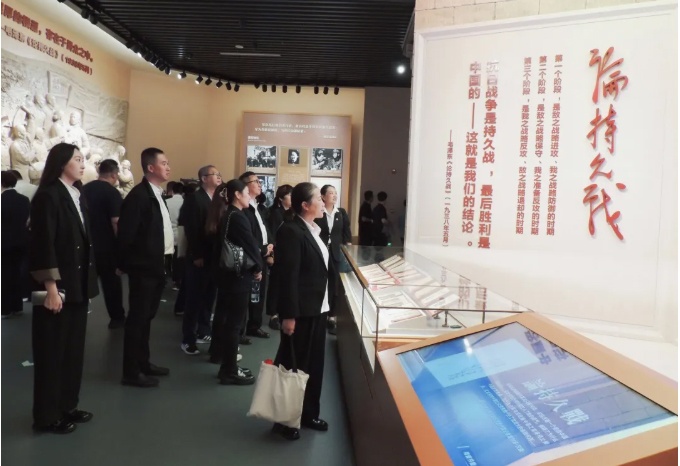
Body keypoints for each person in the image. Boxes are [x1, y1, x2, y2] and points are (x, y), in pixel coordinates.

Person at [28, 143, 99, 434]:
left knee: (72, 352)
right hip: (58, 288)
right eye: (77, 159)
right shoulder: (49, 195)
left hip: (77, 285)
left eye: (83, 159)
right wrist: (51, 287)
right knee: (52, 353)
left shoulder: (77, 194)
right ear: (61, 163)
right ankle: (47, 416)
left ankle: (67, 405)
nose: (82, 164)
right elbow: (43, 243)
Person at [270, 182, 335, 441]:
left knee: (314, 366)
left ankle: (308, 413)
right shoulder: (291, 231)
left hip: (318, 308)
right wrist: (288, 315)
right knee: (293, 367)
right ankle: (286, 420)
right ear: (305, 205)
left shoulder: (314, 230)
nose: (323, 202)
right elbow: (288, 277)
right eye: (318, 198)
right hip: (299, 312)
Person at [117, 147, 173, 388]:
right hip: (144, 267)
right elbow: (127, 234)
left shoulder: (156, 194)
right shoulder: (139, 196)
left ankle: (143, 362)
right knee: (138, 319)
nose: (168, 167)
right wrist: (126, 263)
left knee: (147, 318)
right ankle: (131, 371)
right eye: (164, 163)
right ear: (151, 167)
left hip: (157, 265)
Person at [207, 180, 264, 384]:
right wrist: (258, 267)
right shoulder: (237, 217)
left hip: (228, 276)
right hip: (238, 277)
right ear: (237, 195)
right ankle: (229, 370)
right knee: (234, 324)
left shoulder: (228, 214)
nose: (249, 196)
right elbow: (251, 245)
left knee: (226, 318)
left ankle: (224, 361)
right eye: (246, 192)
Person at [179, 166, 222, 355]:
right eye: (215, 174)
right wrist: (197, 255)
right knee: (194, 298)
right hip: (199, 256)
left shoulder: (217, 199)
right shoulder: (195, 199)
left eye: (219, 174)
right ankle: (188, 338)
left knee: (209, 296)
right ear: (204, 178)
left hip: (213, 256)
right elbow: (191, 229)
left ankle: (203, 330)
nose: (219, 177)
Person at [82, 159, 125, 329]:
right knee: (111, 284)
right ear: (114, 175)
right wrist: (121, 246)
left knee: (84, 282)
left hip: (86, 244)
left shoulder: (84, 189)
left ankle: (79, 314)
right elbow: (116, 221)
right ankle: (117, 317)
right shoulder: (112, 193)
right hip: (107, 246)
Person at [239, 172, 274, 341]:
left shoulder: (258, 206)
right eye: (256, 181)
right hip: (251, 255)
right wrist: (262, 249)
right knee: (246, 295)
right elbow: (248, 236)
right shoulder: (244, 208)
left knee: (259, 294)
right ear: (245, 185)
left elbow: (264, 230)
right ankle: (241, 331)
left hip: (262, 254)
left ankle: (254, 325)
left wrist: (270, 247)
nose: (260, 184)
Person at [315, 185, 351, 334]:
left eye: (335, 193)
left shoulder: (341, 213)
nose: (334, 195)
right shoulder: (319, 212)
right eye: (331, 193)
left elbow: (346, 234)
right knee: (320, 282)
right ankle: (319, 314)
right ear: (323, 196)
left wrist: (348, 250)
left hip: (336, 254)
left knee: (334, 284)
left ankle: (332, 316)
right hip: (320, 253)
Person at [1, 171, 30, 318]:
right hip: (21, 241)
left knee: (4, 275)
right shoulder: (24, 200)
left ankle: (5, 309)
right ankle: (17, 306)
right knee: (17, 273)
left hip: (4, 243)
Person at [264, 184, 293, 330]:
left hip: (289, 253)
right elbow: (272, 235)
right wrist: (271, 255)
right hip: (278, 253)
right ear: (281, 198)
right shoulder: (276, 213)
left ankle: (282, 312)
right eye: (290, 195)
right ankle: (273, 314)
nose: (292, 198)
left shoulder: (293, 213)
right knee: (275, 284)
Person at [165, 181, 185, 289]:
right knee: (178, 259)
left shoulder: (166, 202)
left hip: (168, 232)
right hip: (180, 233)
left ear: (172, 190)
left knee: (166, 257)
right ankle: (177, 281)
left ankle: (165, 276)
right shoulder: (185, 202)